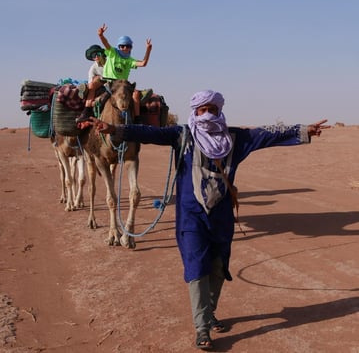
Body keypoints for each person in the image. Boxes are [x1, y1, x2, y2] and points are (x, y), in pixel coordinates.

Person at [88, 90, 330, 350]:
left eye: (211, 109)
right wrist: (114, 128)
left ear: (218, 110)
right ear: (194, 111)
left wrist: (303, 130)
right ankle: (202, 328)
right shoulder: (182, 135)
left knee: (217, 268)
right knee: (196, 268)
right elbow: (148, 133)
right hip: (190, 217)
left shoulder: (235, 138)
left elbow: (267, 134)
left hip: (222, 217)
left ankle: (209, 312)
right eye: (201, 110)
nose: (206, 114)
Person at [76, 23, 153, 123]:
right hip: (108, 81)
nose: (125, 48)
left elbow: (143, 63)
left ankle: (137, 119)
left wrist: (148, 50)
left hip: (122, 83)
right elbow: (106, 43)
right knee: (92, 86)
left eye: (128, 46)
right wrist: (101, 35)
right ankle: (86, 111)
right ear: (119, 46)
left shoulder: (129, 60)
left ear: (130, 48)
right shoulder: (113, 52)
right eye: (122, 46)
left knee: (136, 94)